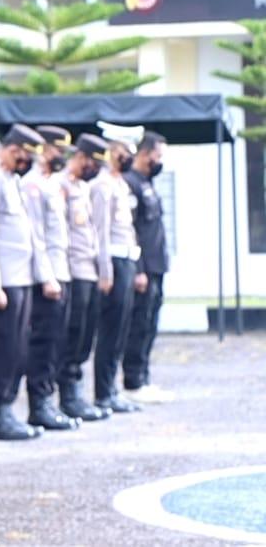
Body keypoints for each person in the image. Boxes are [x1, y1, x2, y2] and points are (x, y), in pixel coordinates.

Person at [0, 124, 55, 441]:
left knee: (17, 348)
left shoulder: (10, 179)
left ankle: (6, 406)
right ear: (11, 150)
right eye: (24, 156)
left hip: (19, 277)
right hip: (2, 280)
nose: (27, 163)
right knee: (1, 348)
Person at [22, 126, 79, 432]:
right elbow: (36, 236)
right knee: (43, 342)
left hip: (60, 270)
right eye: (58, 150)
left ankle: (49, 400)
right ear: (43, 149)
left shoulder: (52, 184)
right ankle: (39, 403)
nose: (62, 157)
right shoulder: (31, 184)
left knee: (58, 340)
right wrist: (47, 277)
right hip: (47, 277)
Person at [57, 133, 111, 423]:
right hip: (73, 271)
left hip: (88, 269)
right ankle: (68, 395)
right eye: (92, 163)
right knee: (72, 334)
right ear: (79, 157)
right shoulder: (62, 185)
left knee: (85, 336)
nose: (95, 169)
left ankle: (75, 392)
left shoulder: (83, 187)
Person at [93, 122, 144, 414]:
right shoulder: (102, 185)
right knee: (110, 330)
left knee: (122, 328)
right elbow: (100, 232)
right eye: (125, 151)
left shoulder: (120, 184)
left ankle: (112, 389)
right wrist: (105, 272)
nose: (129, 157)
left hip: (127, 258)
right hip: (112, 260)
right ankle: (103, 393)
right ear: (112, 151)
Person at [122, 131, 171, 403]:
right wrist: (139, 269)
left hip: (156, 265)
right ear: (143, 154)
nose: (159, 161)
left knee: (150, 324)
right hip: (143, 267)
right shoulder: (130, 183)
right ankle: (133, 381)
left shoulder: (146, 183)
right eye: (157, 156)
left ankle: (143, 378)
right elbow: (131, 230)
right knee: (139, 325)